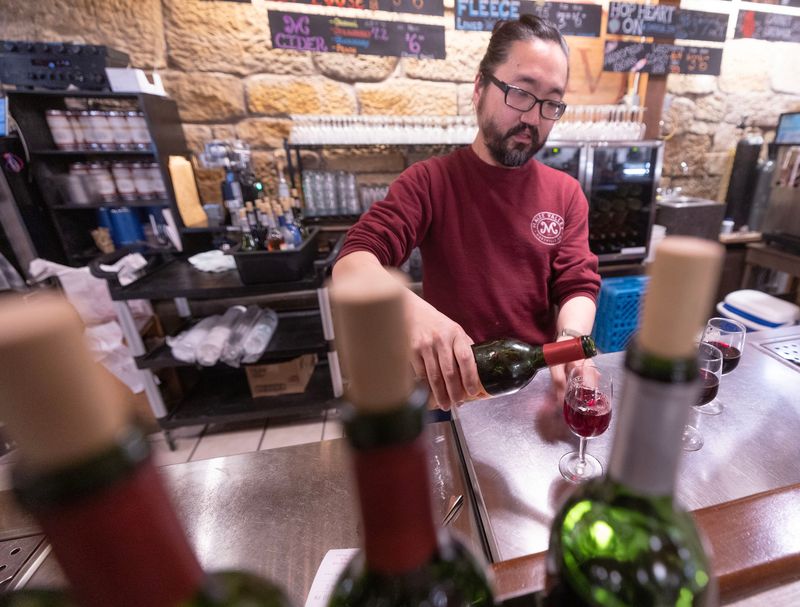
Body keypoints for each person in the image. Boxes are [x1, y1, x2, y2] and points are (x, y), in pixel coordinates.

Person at [332, 16, 601, 410]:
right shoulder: (430, 182)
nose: (533, 118)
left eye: (550, 103)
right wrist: (411, 312)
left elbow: (577, 284)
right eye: (521, 93)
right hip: (455, 392)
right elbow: (353, 262)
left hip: (535, 389)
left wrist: (570, 340)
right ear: (479, 88)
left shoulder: (565, 192)